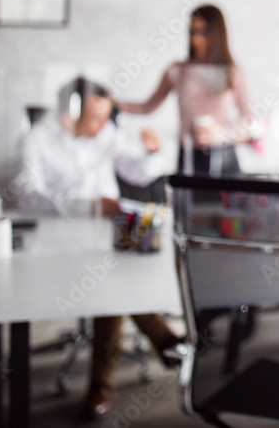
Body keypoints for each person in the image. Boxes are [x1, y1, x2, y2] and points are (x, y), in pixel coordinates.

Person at [16, 77, 181, 419]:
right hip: (59, 243)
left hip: (110, 236)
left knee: (120, 280)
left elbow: (138, 172)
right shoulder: (36, 140)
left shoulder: (106, 134)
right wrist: (89, 206)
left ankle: (114, 375)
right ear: (70, 111)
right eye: (95, 117)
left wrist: (153, 152)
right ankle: (159, 346)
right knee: (112, 288)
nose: (103, 125)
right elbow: (27, 195)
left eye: (107, 116)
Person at [117, 4, 256, 176]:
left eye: (204, 32)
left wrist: (222, 133)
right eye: (192, 32)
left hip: (224, 160)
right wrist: (112, 104)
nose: (196, 39)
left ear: (217, 34)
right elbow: (147, 107)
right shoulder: (178, 71)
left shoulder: (232, 73)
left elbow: (249, 122)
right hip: (189, 158)